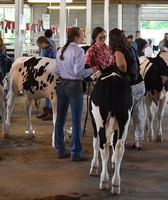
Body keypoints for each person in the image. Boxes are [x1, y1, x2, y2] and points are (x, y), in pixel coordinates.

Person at [54, 27, 97, 161]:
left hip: (61, 85)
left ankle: (60, 150)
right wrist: (91, 70)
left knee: (60, 119)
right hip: (74, 85)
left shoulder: (60, 50)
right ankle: (76, 153)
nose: (84, 36)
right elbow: (78, 72)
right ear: (76, 37)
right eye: (83, 34)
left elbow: (56, 70)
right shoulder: (78, 51)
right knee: (76, 120)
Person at [109, 28, 145, 150]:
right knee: (139, 113)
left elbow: (122, 67)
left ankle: (121, 141)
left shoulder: (119, 51)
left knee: (125, 114)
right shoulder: (131, 48)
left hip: (130, 86)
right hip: (140, 83)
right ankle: (138, 141)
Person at [36, 36, 56, 121]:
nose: (40, 47)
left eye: (40, 45)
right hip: (47, 73)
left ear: (44, 43)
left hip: (50, 73)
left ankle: (51, 112)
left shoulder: (50, 50)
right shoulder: (47, 49)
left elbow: (48, 61)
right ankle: (46, 111)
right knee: (46, 94)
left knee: (50, 94)